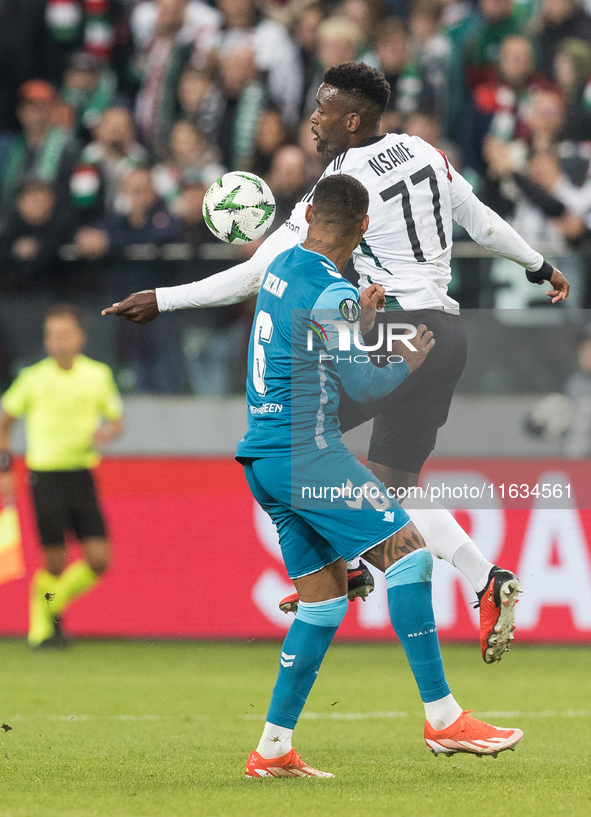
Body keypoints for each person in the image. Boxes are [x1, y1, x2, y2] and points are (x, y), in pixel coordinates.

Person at [102, 62, 570, 665]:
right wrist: (537, 265)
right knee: (390, 488)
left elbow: (255, 275)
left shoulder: (339, 188)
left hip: (395, 328)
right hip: (445, 335)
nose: (313, 118)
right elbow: (478, 218)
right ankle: (486, 579)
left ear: (353, 119)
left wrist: (164, 299)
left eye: (323, 109)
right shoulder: (424, 152)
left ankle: (337, 565)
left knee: (291, 446)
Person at [238, 173, 523, 777]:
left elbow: (306, 343)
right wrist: (406, 359)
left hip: (262, 457)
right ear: (365, 227)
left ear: (310, 213)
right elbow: (365, 385)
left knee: (322, 604)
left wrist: (360, 325)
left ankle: (272, 751)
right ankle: (444, 720)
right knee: (411, 554)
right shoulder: (332, 289)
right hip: (307, 452)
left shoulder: (283, 265)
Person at [0, 304, 124, 648]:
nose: (57, 342)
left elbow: (116, 421)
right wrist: (5, 468)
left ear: (80, 338)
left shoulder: (97, 375)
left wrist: (107, 433)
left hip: (82, 473)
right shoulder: (33, 378)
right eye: (51, 336)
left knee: (99, 559)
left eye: (64, 335)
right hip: (45, 476)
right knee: (55, 559)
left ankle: (50, 604)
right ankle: (43, 624)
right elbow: (4, 422)